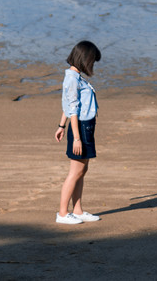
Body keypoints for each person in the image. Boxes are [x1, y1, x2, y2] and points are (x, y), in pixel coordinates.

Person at [54, 40, 101, 224]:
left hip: (84, 126)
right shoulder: (72, 79)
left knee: (82, 170)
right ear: (85, 59)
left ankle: (78, 210)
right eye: (92, 61)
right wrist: (76, 138)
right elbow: (72, 108)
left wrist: (60, 126)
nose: (92, 65)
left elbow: (68, 105)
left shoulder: (76, 77)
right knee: (75, 171)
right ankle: (63, 213)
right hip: (80, 128)